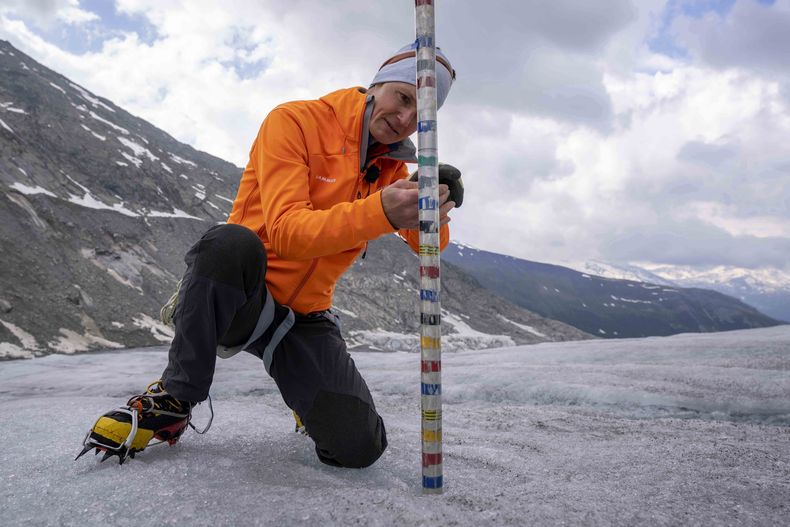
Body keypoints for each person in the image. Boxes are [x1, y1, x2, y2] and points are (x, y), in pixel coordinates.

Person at [77, 43, 462, 468]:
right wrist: (380, 211)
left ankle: (305, 397)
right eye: (403, 97)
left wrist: (436, 204)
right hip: (244, 296)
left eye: (422, 115)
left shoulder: (390, 170)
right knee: (228, 242)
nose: (406, 118)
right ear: (376, 85)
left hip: (304, 319)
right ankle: (175, 397)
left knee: (357, 447)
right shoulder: (296, 121)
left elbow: (428, 244)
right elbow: (286, 233)